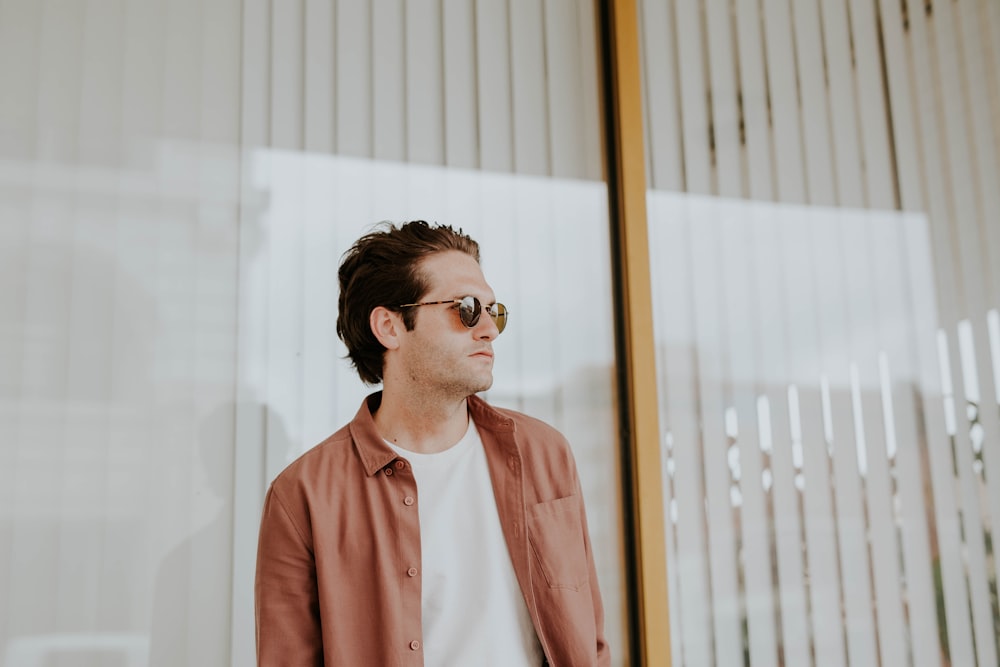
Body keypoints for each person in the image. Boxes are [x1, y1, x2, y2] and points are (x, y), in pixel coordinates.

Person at [254, 220, 610, 666]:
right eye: (464, 308)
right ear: (389, 327)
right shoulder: (303, 495)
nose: (488, 330)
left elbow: (588, 638)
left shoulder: (545, 454)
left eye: (493, 311)